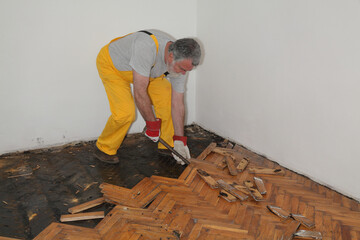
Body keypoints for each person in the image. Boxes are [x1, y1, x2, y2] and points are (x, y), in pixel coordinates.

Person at [94, 29, 201, 165]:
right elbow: (140, 92)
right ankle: (104, 148)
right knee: (125, 113)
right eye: (182, 69)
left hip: (148, 72)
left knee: (167, 100)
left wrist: (179, 139)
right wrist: (151, 125)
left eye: (187, 70)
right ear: (171, 56)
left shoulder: (179, 64)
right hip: (114, 67)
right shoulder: (146, 47)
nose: (183, 74)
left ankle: (168, 145)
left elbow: (177, 103)